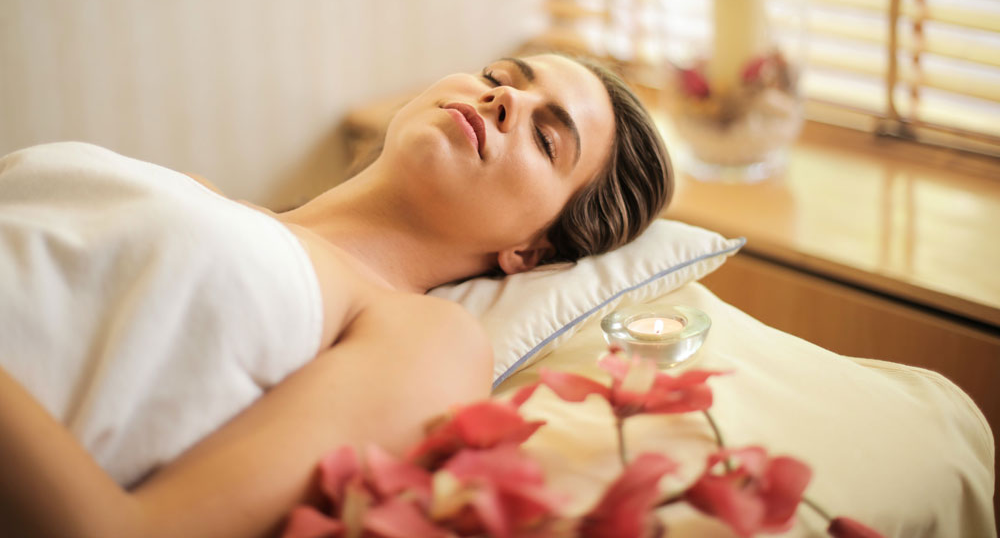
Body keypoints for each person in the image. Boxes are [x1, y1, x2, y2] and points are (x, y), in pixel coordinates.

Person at [0, 53, 673, 537]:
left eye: (545, 135)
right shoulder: (195, 191)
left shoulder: (421, 334)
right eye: (501, 77)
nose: (505, 101)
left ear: (531, 252)